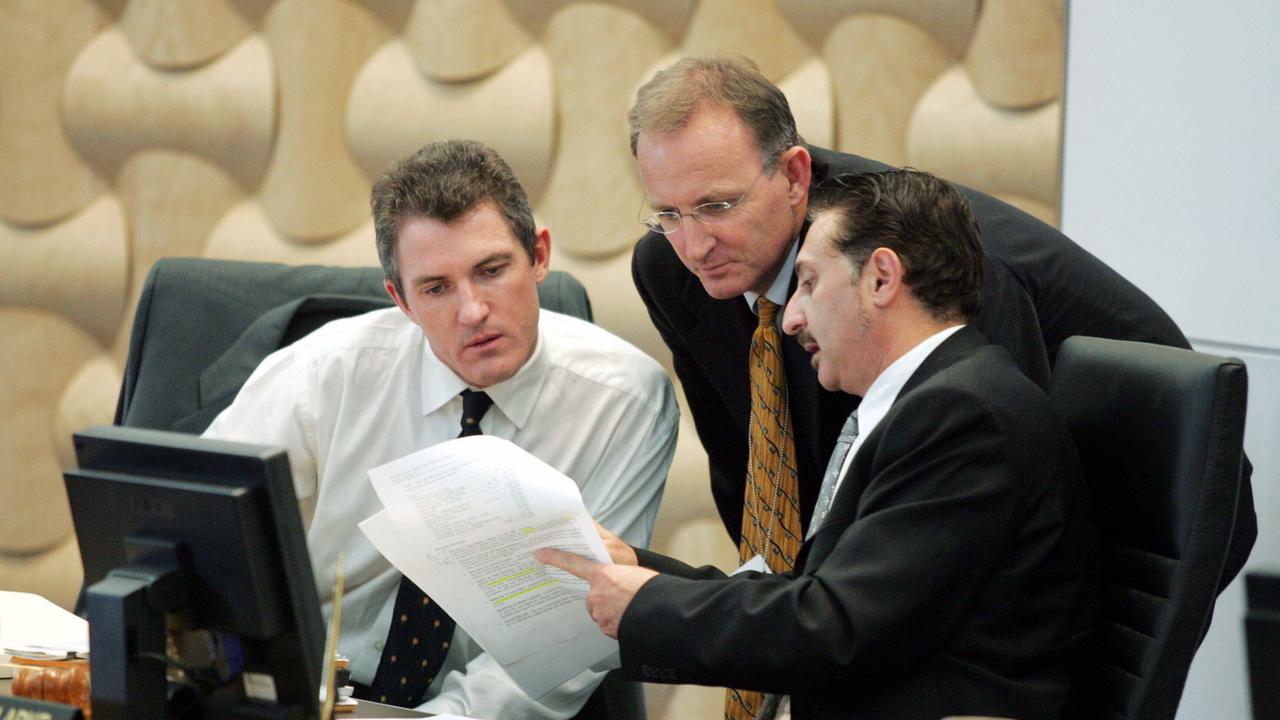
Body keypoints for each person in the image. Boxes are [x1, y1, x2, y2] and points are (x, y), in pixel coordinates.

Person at [628, 55, 1254, 588]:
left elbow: (999, 475)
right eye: (669, 214)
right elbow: (749, 466)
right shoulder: (671, 269)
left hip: (1142, 505)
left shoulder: (906, 262)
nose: (695, 245)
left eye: (717, 205)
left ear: (793, 175)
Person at [540, 169, 1099, 720]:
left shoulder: (962, 415)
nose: (792, 319)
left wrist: (644, 607)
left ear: (881, 278)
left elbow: (838, 630)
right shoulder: (928, 402)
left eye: (808, 282)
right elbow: (819, 596)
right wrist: (637, 568)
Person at [203, 140, 679, 718]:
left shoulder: (623, 402)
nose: (473, 310)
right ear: (399, 299)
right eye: (436, 288)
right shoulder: (321, 376)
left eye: (492, 270)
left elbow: (571, 637)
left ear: (540, 255)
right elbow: (204, 538)